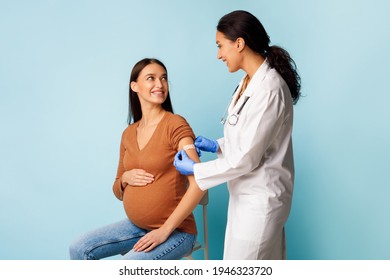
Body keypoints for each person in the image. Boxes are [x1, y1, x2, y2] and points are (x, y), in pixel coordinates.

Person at [174, 10, 301, 260]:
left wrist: (196, 170)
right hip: (245, 198)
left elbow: (246, 158)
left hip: (260, 201)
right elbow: (253, 139)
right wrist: (218, 146)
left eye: (220, 46)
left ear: (239, 43)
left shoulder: (269, 89)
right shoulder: (249, 82)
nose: (219, 54)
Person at [70, 58, 205, 260]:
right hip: (137, 227)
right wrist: (125, 178)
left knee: (126, 267)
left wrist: (164, 231)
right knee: (78, 248)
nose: (159, 84)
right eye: (151, 78)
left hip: (176, 232)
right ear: (135, 86)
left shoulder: (175, 124)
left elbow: (200, 182)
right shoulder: (128, 133)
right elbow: (117, 190)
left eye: (164, 78)